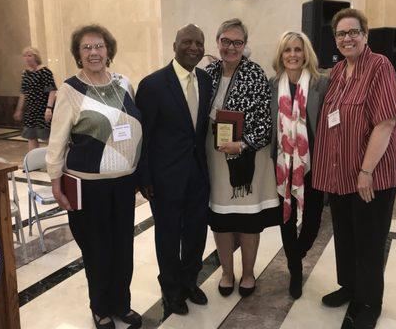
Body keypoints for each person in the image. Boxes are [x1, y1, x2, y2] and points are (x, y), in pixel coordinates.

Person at [46, 24, 143, 329]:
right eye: (86, 48)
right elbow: (57, 140)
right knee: (97, 250)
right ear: (78, 53)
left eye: (99, 46)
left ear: (108, 50)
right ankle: (100, 307)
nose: (94, 53)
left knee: (123, 248)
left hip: (123, 184)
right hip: (89, 188)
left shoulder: (124, 84)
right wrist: (54, 180)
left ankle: (121, 303)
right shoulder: (70, 89)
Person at [312, 8, 396, 329]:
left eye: (353, 32)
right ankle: (349, 286)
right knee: (346, 236)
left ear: (365, 35)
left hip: (370, 175)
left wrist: (366, 171)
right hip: (340, 174)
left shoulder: (379, 67)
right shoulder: (338, 72)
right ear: (335, 40)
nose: (347, 38)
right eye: (341, 34)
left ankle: (369, 301)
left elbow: (386, 121)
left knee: (368, 240)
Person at [135, 24, 212, 316]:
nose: (194, 48)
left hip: (198, 175)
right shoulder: (153, 85)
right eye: (187, 42)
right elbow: (144, 136)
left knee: (196, 233)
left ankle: (190, 282)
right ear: (175, 45)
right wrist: (144, 177)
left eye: (199, 43)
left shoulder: (205, 81)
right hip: (165, 178)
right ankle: (171, 290)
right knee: (167, 236)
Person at [205, 18, 279, 298]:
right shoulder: (208, 72)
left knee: (248, 221)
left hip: (247, 156)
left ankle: (248, 273)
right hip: (214, 157)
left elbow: (265, 121)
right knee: (221, 219)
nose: (231, 47)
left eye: (237, 42)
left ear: (244, 45)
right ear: (218, 42)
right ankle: (226, 272)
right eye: (226, 41)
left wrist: (243, 143)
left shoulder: (255, 73)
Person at [269, 31, 329, 299]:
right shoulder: (272, 86)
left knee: (313, 220)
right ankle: (295, 269)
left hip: (312, 163)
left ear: (306, 54)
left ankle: (297, 251)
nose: (293, 55)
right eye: (287, 50)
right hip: (282, 164)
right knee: (286, 217)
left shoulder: (321, 84)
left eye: (297, 49)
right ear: (281, 55)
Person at [13, 46, 57, 151]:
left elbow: (52, 90)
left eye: (29, 55)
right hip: (31, 111)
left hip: (43, 109)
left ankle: (53, 160)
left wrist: (49, 108)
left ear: (36, 57)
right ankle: (33, 163)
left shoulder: (45, 71)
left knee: (47, 137)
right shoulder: (26, 73)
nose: (27, 58)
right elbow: (23, 92)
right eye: (25, 56)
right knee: (31, 136)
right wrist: (19, 110)